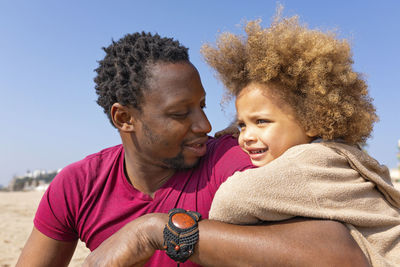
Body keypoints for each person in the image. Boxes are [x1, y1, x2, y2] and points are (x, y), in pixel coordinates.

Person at [17, 32, 369, 267]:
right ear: (124, 118)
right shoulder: (79, 185)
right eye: (180, 113)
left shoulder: (230, 161)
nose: (204, 125)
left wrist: (153, 231)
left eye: (202, 105)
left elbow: (341, 252)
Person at [202, 13, 400, 266]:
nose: (246, 137)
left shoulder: (308, 161)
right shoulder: (337, 155)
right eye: (241, 124)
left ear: (312, 122)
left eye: (261, 122)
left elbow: (229, 202)